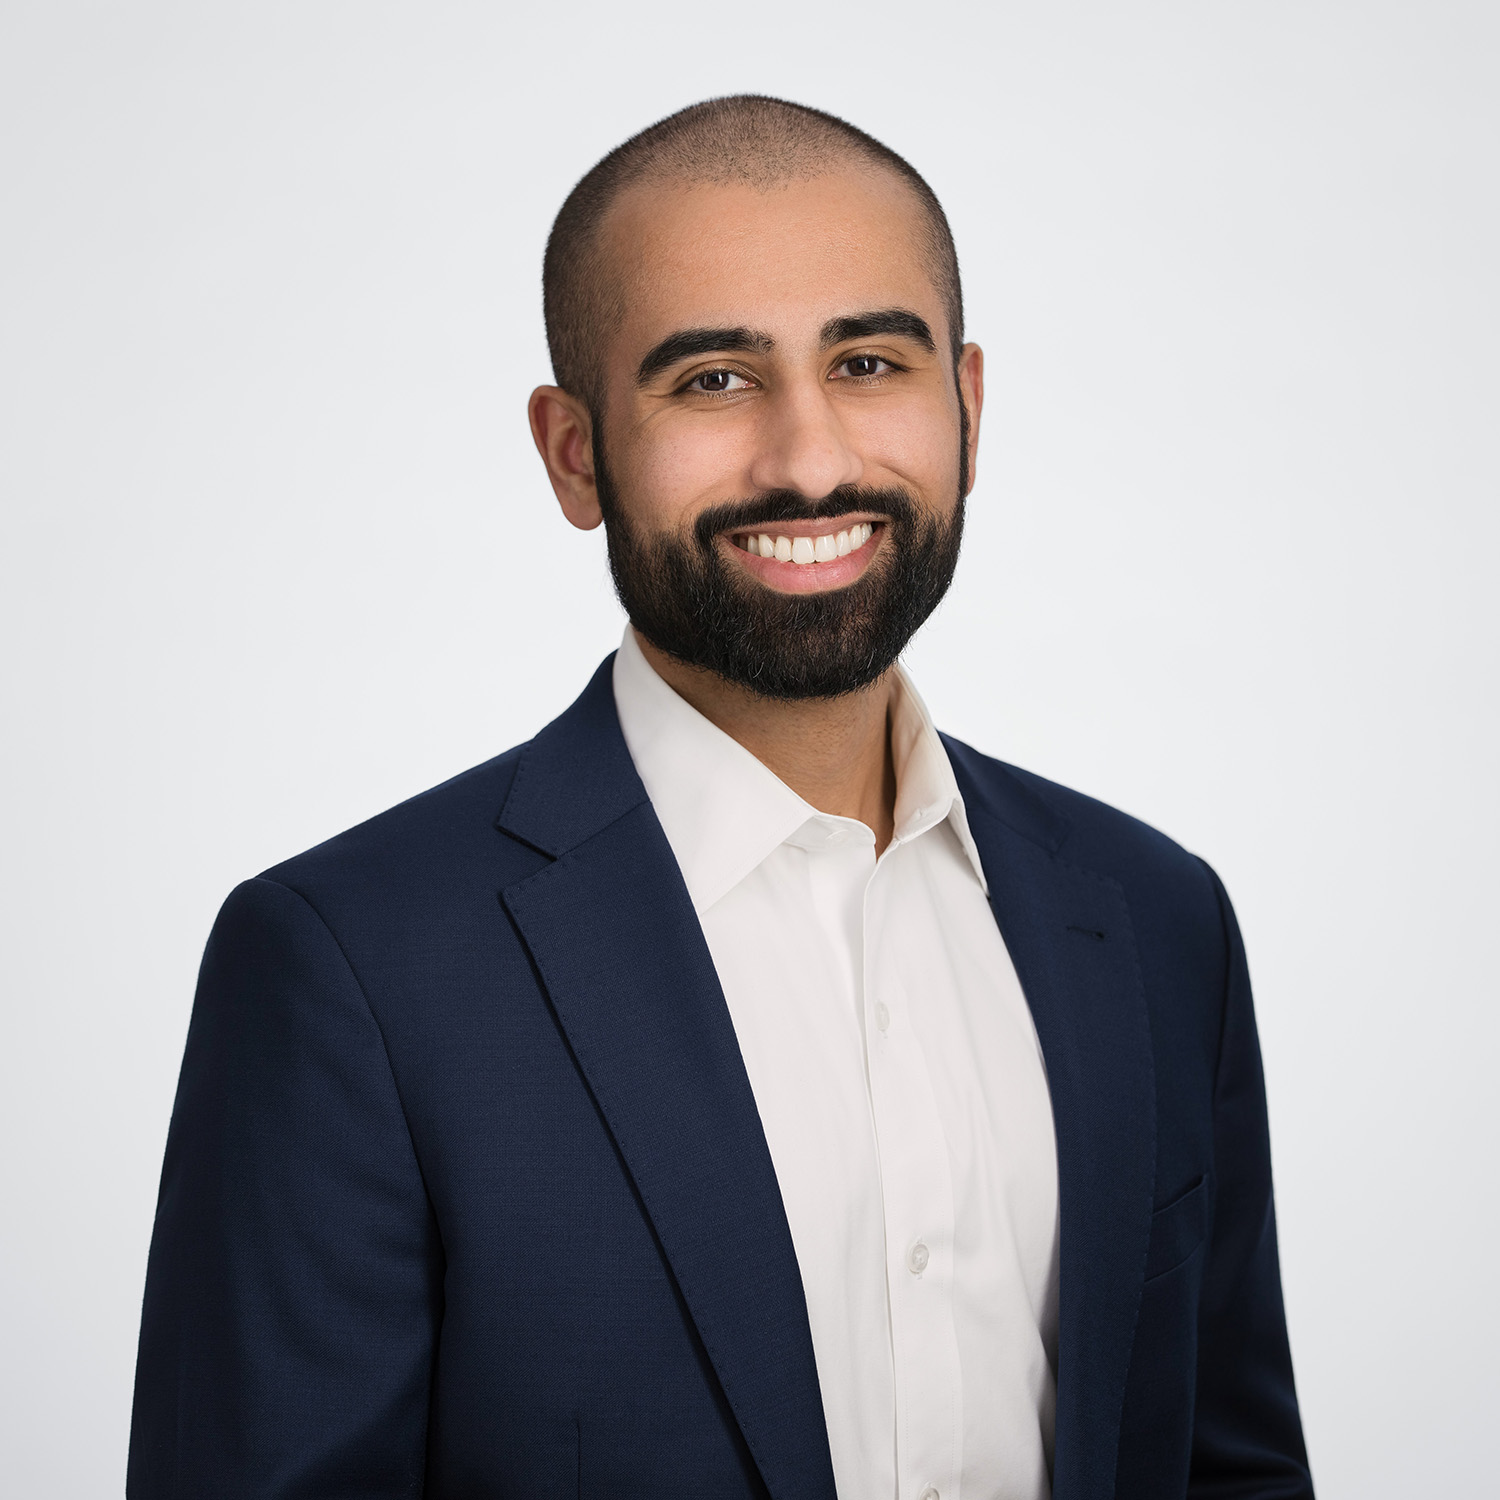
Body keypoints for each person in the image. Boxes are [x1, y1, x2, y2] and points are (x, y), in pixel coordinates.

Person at [128, 96, 1313, 1500]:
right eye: (714, 381)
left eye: (869, 362)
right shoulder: (351, 970)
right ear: (576, 454)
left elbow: (1229, 1465)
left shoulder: (1157, 918)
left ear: (968, 409)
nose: (810, 460)